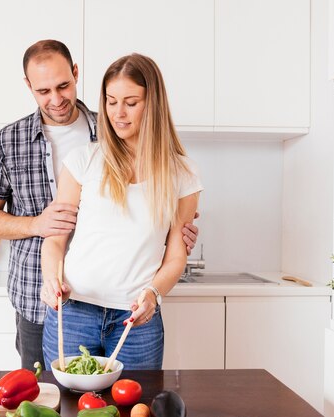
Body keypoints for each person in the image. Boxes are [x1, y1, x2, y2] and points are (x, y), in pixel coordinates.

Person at [0, 40, 199, 370]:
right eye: (43, 90)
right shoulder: (11, 142)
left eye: (63, 86)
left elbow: (168, 240)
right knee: (49, 401)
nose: (56, 98)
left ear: (76, 74)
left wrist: (174, 230)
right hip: (51, 299)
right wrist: (37, 225)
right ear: (29, 87)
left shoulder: (108, 133)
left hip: (130, 311)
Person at [40, 53, 203, 370]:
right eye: (111, 101)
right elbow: (56, 239)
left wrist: (153, 295)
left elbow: (176, 256)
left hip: (136, 319)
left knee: (134, 408)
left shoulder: (183, 174)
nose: (118, 113)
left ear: (152, 104)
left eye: (131, 102)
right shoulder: (82, 160)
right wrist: (50, 280)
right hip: (74, 310)